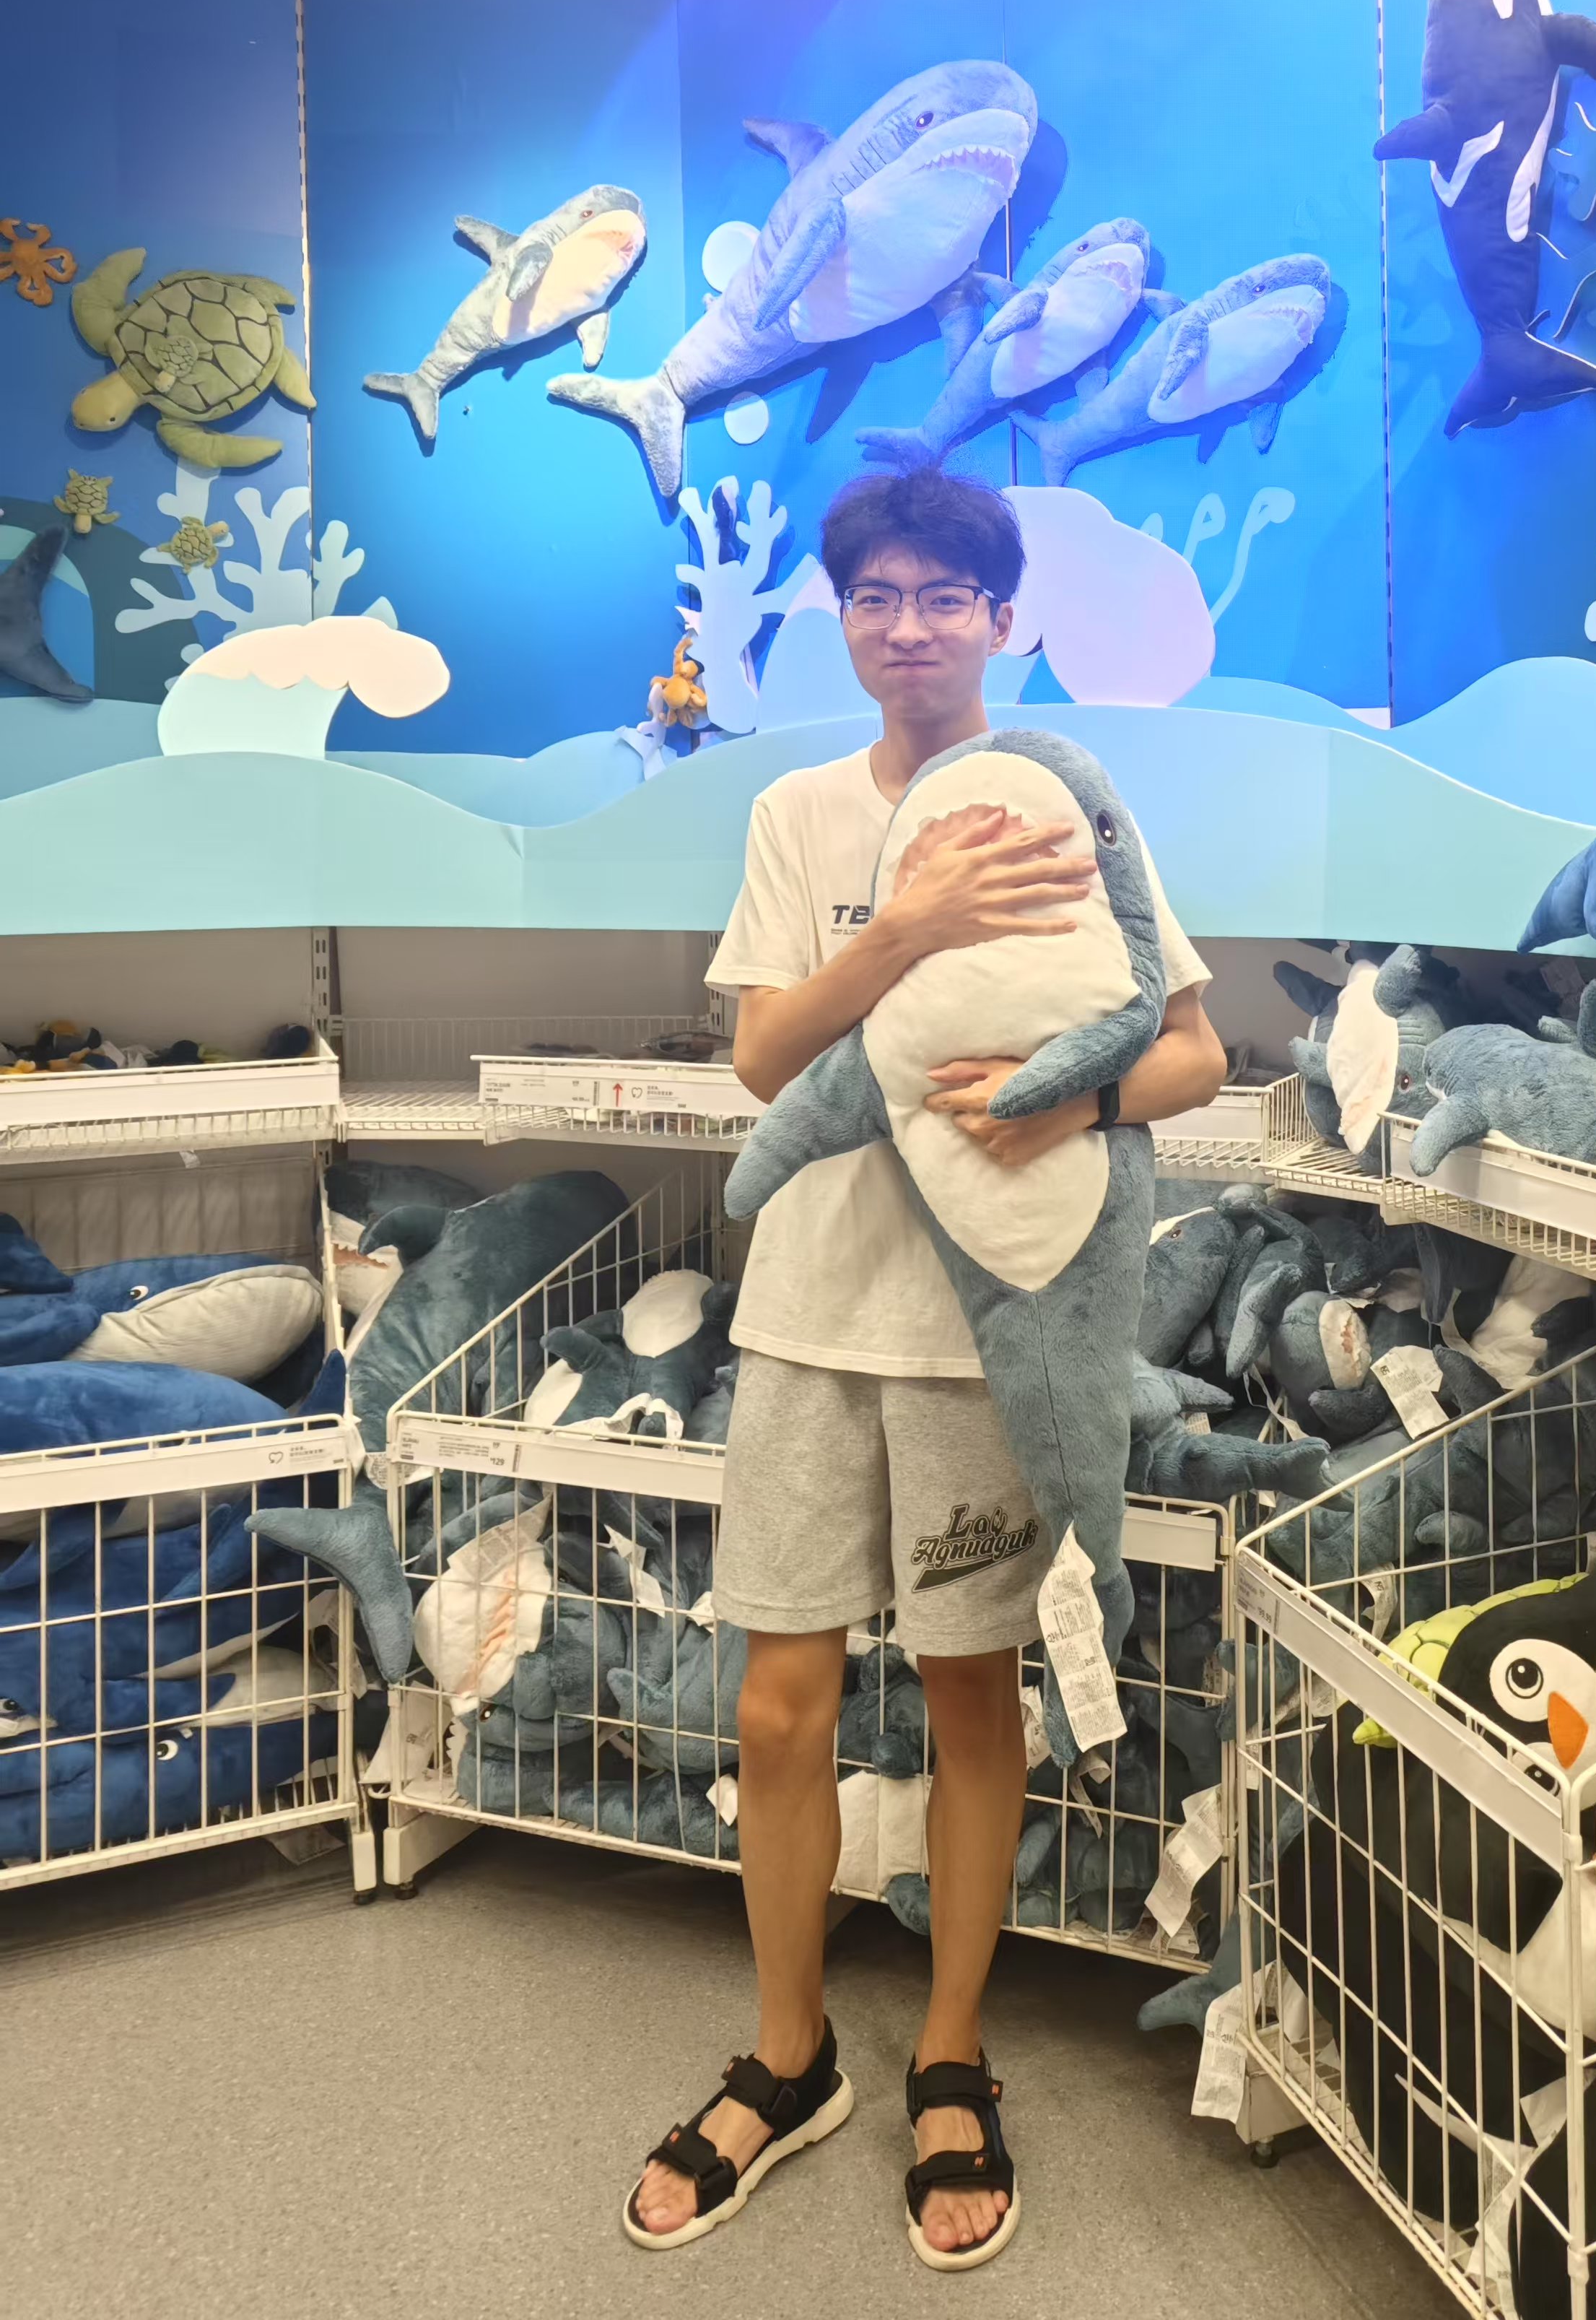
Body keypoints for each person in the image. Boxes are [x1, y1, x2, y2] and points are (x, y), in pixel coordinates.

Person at [625, 468, 1224, 2268]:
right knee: (777, 1706)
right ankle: (789, 2053)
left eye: (945, 593)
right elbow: (762, 1064)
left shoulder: (1072, 803)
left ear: (1002, 618)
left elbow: (1193, 1053)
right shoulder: (800, 811)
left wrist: (1073, 1105)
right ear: (843, 618)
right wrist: (910, 925)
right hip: (808, 1315)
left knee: (975, 1694)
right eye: (875, 593)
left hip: (991, 1332)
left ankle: (951, 2051)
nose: (909, 623)